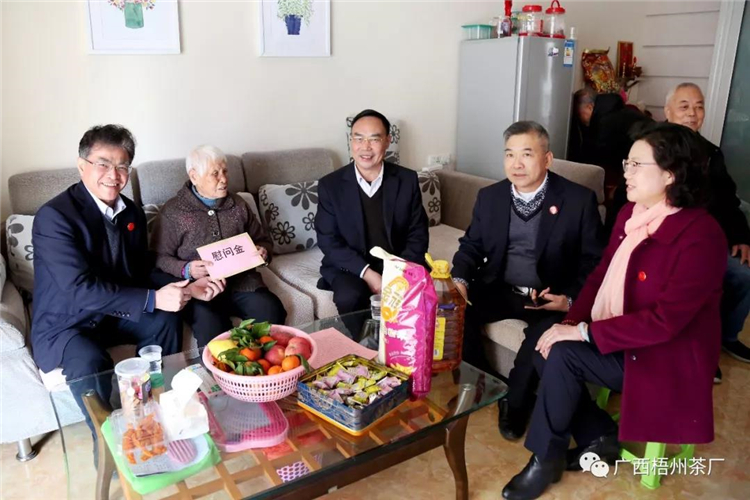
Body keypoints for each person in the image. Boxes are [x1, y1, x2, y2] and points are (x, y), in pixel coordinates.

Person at [501, 123, 726, 500]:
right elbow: (600, 275)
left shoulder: (701, 236)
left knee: (564, 355)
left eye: (637, 165)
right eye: (627, 163)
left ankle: (545, 459)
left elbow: (665, 322)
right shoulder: (631, 214)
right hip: (624, 337)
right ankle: (599, 435)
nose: (626, 173)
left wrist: (582, 333)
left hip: (665, 356)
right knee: (546, 343)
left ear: (670, 174)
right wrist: (570, 322)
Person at [31, 125, 191, 436]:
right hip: (69, 322)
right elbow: (78, 289)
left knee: (165, 319)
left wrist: (186, 281)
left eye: (122, 166)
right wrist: (153, 298)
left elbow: (140, 270)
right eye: (103, 164)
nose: (113, 175)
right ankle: (106, 438)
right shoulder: (55, 217)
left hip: (113, 314)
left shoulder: (131, 212)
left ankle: (155, 407)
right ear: (82, 166)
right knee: (89, 360)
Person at [451, 121, 603, 441]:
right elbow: (471, 246)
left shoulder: (578, 200)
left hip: (549, 296)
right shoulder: (490, 197)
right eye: (509, 154)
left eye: (527, 154)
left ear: (547, 159)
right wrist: (460, 279)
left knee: (539, 339)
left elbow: (594, 262)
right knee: (455, 311)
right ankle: (482, 384)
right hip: (500, 286)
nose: (516, 164)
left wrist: (570, 299)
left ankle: (515, 403)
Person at [152, 145, 286, 346]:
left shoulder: (238, 204)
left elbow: (262, 239)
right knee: (212, 331)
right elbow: (157, 258)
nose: (224, 179)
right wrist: (186, 269)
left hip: (243, 284)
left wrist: (263, 251)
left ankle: (258, 361)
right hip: (201, 289)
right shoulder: (173, 212)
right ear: (194, 176)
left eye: (225, 171)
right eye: (215, 173)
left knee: (271, 312)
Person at [663, 83, 750, 376]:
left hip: (707, 240)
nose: (693, 113)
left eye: (699, 106)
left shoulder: (711, 153)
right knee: (698, 280)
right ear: (668, 112)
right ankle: (696, 348)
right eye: (684, 106)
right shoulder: (652, 148)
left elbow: (728, 200)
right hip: (665, 241)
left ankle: (727, 336)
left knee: (743, 273)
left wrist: (741, 237)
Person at [315, 109, 429, 329]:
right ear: (351, 141)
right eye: (359, 138)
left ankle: (401, 345)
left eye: (374, 139)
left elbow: (418, 233)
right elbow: (328, 240)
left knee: (424, 295)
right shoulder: (331, 185)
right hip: (350, 266)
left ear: (387, 141)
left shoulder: (407, 180)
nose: (365, 147)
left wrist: (398, 274)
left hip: (397, 262)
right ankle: (364, 345)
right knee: (349, 296)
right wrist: (369, 274)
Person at [569, 87, 651, 205]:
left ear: (589, 107)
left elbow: (599, 155)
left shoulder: (607, 122)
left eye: (579, 114)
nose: (580, 120)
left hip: (645, 160)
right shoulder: (615, 111)